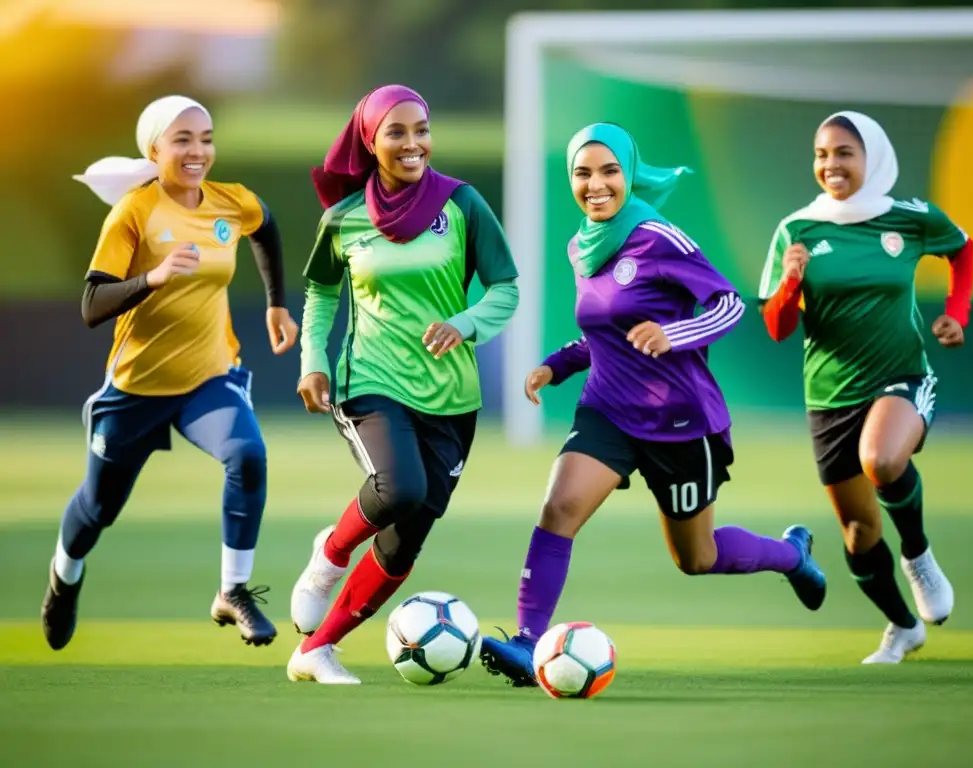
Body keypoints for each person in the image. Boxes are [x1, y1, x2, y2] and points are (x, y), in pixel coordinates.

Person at [479, 123, 827, 688]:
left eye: (609, 171)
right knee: (559, 507)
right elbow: (603, 334)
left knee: (697, 557)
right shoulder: (580, 246)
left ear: (629, 174)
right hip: (609, 410)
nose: (596, 184)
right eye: (582, 173)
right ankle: (526, 643)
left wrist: (674, 333)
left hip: (680, 421)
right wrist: (556, 365)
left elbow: (730, 305)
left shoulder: (659, 237)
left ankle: (791, 555)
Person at [42, 96, 299, 651]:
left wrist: (277, 302)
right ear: (155, 148)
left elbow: (266, 227)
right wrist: (152, 278)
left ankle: (233, 590)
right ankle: (64, 576)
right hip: (136, 390)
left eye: (205, 138)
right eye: (182, 139)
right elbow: (91, 304)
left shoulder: (230, 202)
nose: (197, 151)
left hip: (209, 378)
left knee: (247, 454)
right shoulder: (133, 212)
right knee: (97, 509)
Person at [286, 85, 520, 685]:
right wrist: (313, 359)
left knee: (403, 541)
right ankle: (331, 554)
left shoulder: (463, 204)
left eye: (422, 129)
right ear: (370, 140)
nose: (413, 143)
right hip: (370, 379)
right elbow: (321, 294)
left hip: (453, 398)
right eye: (396, 131)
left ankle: (316, 650)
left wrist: (465, 322)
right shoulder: (342, 218)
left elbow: (505, 289)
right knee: (399, 488)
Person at [757, 110, 973, 664]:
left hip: (901, 375)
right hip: (830, 396)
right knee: (857, 531)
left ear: (871, 158)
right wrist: (789, 284)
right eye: (821, 154)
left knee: (881, 459)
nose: (830, 165)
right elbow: (778, 327)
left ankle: (919, 556)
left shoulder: (909, 217)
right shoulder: (796, 229)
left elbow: (963, 249)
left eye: (843, 153)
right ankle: (902, 626)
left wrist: (958, 314)